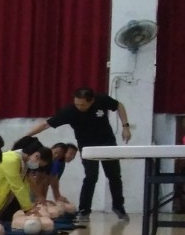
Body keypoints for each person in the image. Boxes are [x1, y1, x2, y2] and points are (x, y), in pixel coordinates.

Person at [25, 87, 130, 221]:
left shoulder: (101, 100)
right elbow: (46, 124)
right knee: (91, 177)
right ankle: (84, 210)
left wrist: (125, 127)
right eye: (77, 104)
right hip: (87, 146)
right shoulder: (70, 111)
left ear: (91, 101)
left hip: (107, 142)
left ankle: (119, 207)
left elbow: (119, 106)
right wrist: (26, 136)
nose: (79, 107)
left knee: (114, 175)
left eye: (83, 105)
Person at [0, 135, 43, 223]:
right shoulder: (11, 159)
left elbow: (24, 185)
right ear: (30, 152)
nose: (37, 160)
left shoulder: (22, 162)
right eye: (37, 156)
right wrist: (28, 208)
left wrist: (30, 205)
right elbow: (17, 186)